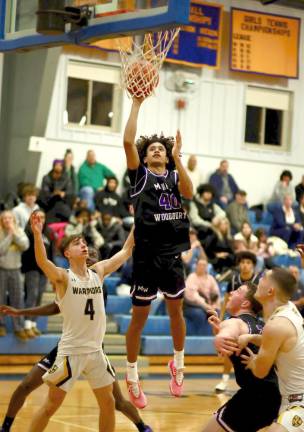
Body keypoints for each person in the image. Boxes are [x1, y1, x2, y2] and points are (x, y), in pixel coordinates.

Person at [0, 247, 152, 432]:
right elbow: (57, 305)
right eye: (88, 255)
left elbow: (56, 307)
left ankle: (142, 426)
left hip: (94, 349)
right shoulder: (76, 280)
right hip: (70, 349)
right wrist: (21, 312)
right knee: (27, 387)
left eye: (94, 257)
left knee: (114, 401)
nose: (90, 259)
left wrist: (22, 312)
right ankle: (6, 426)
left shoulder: (95, 282)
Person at [27, 213, 134, 432]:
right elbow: (42, 262)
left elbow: (125, 251)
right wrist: (37, 234)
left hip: (95, 351)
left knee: (108, 403)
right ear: (67, 253)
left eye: (84, 243)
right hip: (71, 352)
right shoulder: (63, 277)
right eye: (77, 244)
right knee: (51, 406)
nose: (84, 246)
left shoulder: (98, 271)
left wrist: (137, 224)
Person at [123, 97, 193, 408]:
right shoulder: (140, 176)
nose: (156, 150)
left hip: (172, 255)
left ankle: (178, 365)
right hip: (146, 256)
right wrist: (137, 103)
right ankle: (132, 375)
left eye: (161, 149)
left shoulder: (176, 176)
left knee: (176, 311)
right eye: (152, 148)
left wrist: (178, 157)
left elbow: (189, 193)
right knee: (139, 319)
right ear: (145, 155)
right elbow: (127, 141)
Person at [202, 282, 281, 432]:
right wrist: (221, 330)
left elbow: (230, 330)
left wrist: (221, 336)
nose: (231, 293)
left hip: (255, 395)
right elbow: (232, 337)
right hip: (275, 394)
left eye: (237, 291)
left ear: (245, 303)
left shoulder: (235, 322)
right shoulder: (261, 325)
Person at [241, 268, 304, 431]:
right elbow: (280, 340)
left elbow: (260, 372)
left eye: (263, 278)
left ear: (271, 291)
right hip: (293, 401)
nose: (258, 280)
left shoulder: (276, 325)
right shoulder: (289, 309)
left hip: (302, 404)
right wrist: (251, 337)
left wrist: (253, 362)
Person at [216, 251, 261, 393]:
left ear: (253, 265)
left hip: (255, 317)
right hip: (236, 317)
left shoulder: (257, 281)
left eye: (248, 263)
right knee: (231, 347)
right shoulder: (234, 279)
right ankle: (224, 379)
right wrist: (222, 316)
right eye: (242, 262)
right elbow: (226, 299)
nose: (245, 265)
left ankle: (257, 374)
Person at [22, 210, 55, 338]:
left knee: (39, 296)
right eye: (38, 217)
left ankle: (33, 323)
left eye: (43, 217)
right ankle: (25, 323)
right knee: (32, 294)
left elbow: (51, 253)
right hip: (32, 268)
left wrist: (51, 271)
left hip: (44, 270)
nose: (41, 219)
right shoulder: (28, 231)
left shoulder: (48, 233)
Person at [0, 210, 29, 340]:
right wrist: (9, 236)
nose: (7, 220)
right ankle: (1, 325)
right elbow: (0, 251)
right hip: (1, 270)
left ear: (14, 220)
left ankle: (19, 327)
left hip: (16, 270)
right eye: (4, 219)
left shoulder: (20, 231)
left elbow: (25, 245)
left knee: (17, 299)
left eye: (9, 218)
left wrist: (14, 234)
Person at [184, 258, 221, 335]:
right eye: (200, 265)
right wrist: (206, 306)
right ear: (196, 266)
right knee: (199, 314)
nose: (202, 267)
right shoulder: (192, 277)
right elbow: (193, 296)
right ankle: (202, 339)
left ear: (207, 267)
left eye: (204, 265)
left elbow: (216, 293)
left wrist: (214, 305)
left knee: (216, 312)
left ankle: (213, 337)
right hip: (192, 306)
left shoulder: (210, 278)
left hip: (209, 305)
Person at [189, 183, 225, 248]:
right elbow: (195, 220)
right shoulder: (194, 204)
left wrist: (217, 218)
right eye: (206, 192)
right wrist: (209, 224)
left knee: (224, 225)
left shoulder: (212, 205)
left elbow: (223, 213)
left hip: (212, 226)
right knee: (207, 231)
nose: (208, 194)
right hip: (199, 228)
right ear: (201, 193)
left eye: (210, 193)